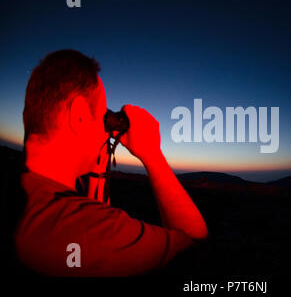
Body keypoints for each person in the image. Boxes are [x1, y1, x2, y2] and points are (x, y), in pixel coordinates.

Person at [14, 49, 208, 276]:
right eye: (102, 116)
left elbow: (88, 206)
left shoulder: (22, 191)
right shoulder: (95, 231)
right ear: (78, 115)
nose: (104, 130)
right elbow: (196, 248)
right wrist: (152, 154)